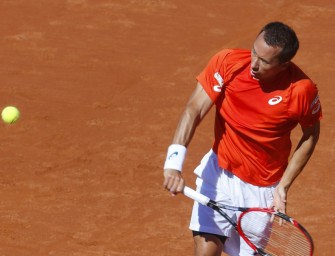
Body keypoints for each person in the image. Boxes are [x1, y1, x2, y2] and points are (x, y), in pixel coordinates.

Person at [163, 21, 322, 256]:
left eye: (264, 61)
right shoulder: (228, 62)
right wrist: (173, 163)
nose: (254, 64)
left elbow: (310, 135)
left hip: (262, 189)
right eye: (254, 52)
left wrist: (283, 186)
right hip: (219, 175)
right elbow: (194, 109)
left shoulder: (300, 90)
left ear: (284, 64)